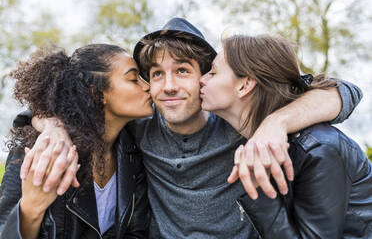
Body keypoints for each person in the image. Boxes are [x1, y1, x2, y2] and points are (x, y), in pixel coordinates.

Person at [14, 18, 363, 238]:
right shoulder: (137, 131)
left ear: (206, 79)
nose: (166, 87)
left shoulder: (238, 122)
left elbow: (344, 91)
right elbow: (64, 105)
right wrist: (53, 127)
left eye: (182, 71)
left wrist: (275, 123)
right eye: (154, 74)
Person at [199, 34, 372, 238]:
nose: (201, 79)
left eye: (213, 73)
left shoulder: (318, 150)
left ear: (244, 85)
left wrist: (258, 191)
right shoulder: (251, 139)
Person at [0, 44, 152, 238]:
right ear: (97, 93)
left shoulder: (133, 151)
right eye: (133, 79)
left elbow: (136, 231)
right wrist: (31, 209)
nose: (147, 86)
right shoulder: (41, 147)